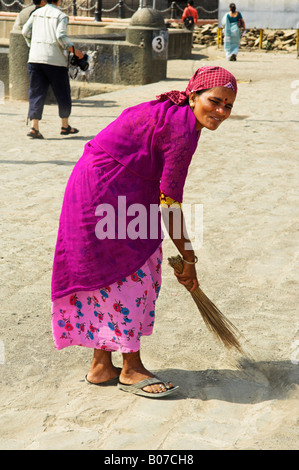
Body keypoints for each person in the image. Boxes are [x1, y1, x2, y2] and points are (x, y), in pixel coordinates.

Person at [51, 66, 237, 398]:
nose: (221, 112)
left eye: (228, 106)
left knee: (114, 276)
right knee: (135, 274)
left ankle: (101, 366)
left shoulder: (179, 113)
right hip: (105, 191)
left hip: (106, 184)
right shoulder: (182, 129)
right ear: (193, 95)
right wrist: (189, 258)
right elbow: (169, 204)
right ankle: (131, 368)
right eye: (215, 101)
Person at [22, 0, 84, 139]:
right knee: (62, 93)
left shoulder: (36, 13)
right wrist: (75, 51)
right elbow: (61, 36)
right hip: (55, 61)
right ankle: (65, 125)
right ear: (59, 0)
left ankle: (34, 127)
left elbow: (25, 31)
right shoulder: (60, 16)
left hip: (35, 58)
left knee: (36, 92)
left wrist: (33, 45)